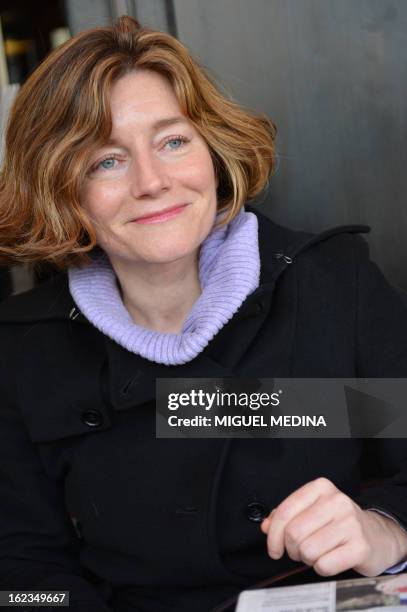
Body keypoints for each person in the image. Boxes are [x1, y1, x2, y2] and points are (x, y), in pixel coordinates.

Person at [0, 15, 407, 612]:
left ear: (212, 151)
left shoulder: (331, 284)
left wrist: (386, 528)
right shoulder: (21, 349)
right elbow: (21, 577)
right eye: (105, 161)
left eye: (172, 141)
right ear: (62, 190)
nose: (152, 182)